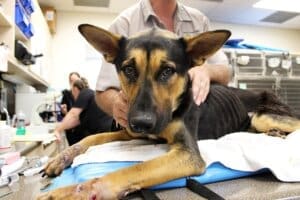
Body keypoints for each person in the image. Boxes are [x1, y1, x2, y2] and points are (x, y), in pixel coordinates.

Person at [95, 0, 232, 128]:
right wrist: (117, 104)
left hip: (193, 125)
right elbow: (103, 91)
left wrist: (206, 70)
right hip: (137, 127)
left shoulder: (199, 20)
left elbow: (226, 72)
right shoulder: (125, 23)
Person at [55, 78, 113, 144]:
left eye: (73, 93)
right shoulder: (90, 95)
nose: (73, 97)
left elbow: (73, 114)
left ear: (75, 89)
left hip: (104, 133)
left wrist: (58, 130)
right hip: (105, 133)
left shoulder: (85, 93)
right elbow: (76, 121)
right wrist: (62, 126)